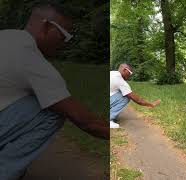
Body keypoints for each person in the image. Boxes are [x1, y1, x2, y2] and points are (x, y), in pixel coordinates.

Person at [0, 3, 108, 179]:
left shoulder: (6, 37)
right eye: (65, 35)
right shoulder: (32, 60)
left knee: (37, 101)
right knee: (53, 112)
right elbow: (85, 120)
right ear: (46, 26)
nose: (65, 43)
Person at [110, 63, 161, 128]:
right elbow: (136, 99)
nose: (130, 75)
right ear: (124, 70)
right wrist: (150, 104)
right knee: (126, 97)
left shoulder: (112, 73)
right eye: (130, 73)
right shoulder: (119, 80)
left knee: (121, 92)